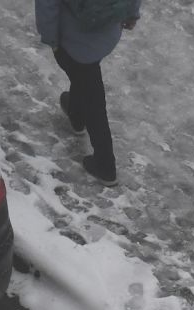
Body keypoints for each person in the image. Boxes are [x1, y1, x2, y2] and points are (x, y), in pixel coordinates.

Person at [36, 0, 141, 186]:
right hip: (107, 33)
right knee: (84, 77)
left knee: (94, 102)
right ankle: (76, 115)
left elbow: (47, 5)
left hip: (75, 40)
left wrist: (51, 39)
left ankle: (105, 165)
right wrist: (132, 13)